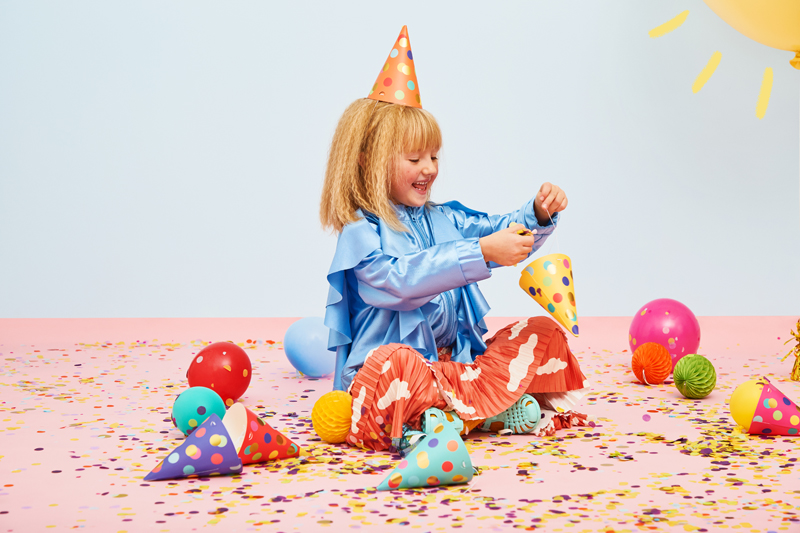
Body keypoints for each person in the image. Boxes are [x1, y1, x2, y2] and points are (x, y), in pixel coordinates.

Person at [320, 27, 587, 452]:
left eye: (434, 156)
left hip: (455, 369)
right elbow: (400, 281)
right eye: (414, 158)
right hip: (403, 379)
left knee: (541, 332)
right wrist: (479, 253)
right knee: (394, 364)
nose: (429, 168)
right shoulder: (361, 233)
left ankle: (462, 415)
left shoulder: (446, 218)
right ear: (368, 160)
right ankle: (475, 415)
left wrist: (537, 214)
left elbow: (498, 231)